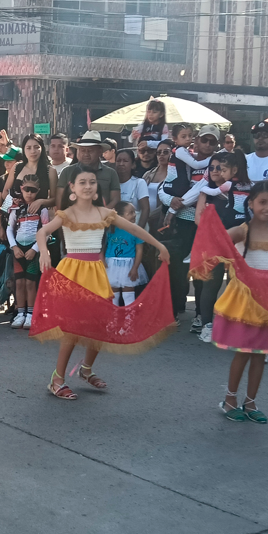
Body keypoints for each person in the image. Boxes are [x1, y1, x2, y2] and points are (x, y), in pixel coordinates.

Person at [36, 167, 170, 399]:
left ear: (96, 189)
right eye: (82, 182)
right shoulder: (66, 214)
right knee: (72, 329)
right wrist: (43, 252)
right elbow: (43, 231)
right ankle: (57, 379)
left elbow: (134, 228)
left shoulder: (104, 213)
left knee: (99, 325)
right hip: (72, 274)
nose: (88, 186)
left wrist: (160, 246)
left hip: (96, 273)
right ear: (72, 189)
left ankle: (86, 369)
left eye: (92, 182)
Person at [216, 182, 268, 423]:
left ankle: (250, 402)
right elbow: (216, 243)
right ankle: (229, 400)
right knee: (244, 351)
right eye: (262, 202)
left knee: (261, 353)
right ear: (250, 204)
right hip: (246, 299)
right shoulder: (243, 231)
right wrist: (232, 264)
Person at [159, 125, 219, 321]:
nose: (208, 144)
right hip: (182, 223)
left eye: (213, 142)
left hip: (204, 223)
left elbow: (202, 189)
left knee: (202, 270)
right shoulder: (185, 158)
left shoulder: (217, 165)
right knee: (176, 268)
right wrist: (171, 203)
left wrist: (176, 206)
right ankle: (173, 311)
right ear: (197, 141)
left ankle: (201, 316)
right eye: (205, 140)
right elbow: (163, 187)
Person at [195, 150, 253, 343]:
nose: (218, 171)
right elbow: (198, 220)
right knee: (211, 282)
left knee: (236, 283)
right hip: (214, 241)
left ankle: (230, 323)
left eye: (223, 168)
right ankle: (206, 325)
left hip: (242, 241)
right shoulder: (208, 191)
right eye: (217, 168)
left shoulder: (248, 188)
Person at [4, 173, 49, 328]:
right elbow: (9, 229)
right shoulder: (16, 209)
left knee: (31, 283)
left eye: (33, 190)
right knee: (20, 283)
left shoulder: (42, 210)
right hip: (18, 250)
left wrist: (35, 249)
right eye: (26, 189)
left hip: (32, 250)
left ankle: (30, 314)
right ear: (21, 189)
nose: (29, 193)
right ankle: (20, 313)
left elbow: (46, 231)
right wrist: (14, 246)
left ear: (38, 191)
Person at [58, 131, 120, 209]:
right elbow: (60, 199)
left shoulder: (110, 173)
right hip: (72, 218)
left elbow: (115, 199)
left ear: (100, 151)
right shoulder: (67, 172)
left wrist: (102, 214)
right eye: (83, 150)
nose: (86, 154)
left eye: (90, 150)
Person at [105, 200, 147, 306]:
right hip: (111, 265)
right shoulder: (110, 230)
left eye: (134, 212)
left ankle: (129, 320)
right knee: (113, 295)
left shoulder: (136, 231)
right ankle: (114, 319)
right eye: (130, 213)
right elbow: (103, 246)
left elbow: (139, 250)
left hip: (128, 265)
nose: (134, 215)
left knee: (128, 294)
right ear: (119, 216)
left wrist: (135, 268)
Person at [113, 149, 150, 226]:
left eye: (125, 161)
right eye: (118, 161)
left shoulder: (139, 183)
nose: (121, 164)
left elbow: (145, 209)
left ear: (133, 165)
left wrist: (138, 232)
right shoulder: (111, 184)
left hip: (135, 227)